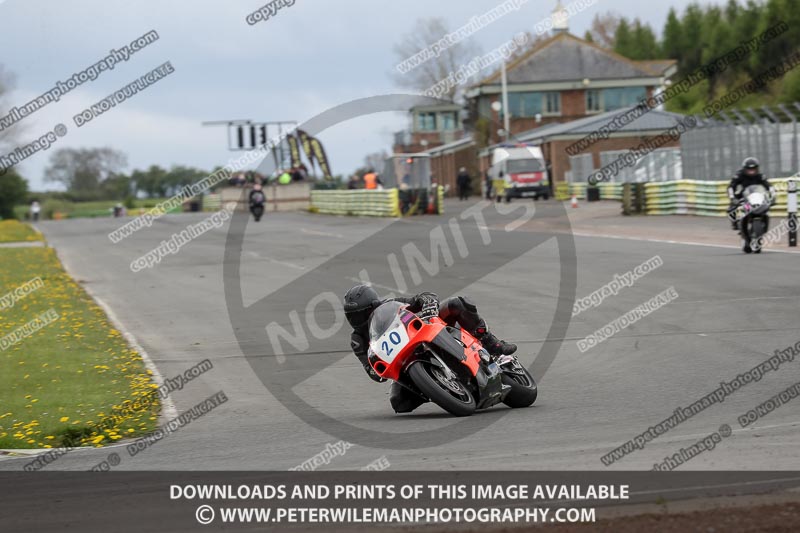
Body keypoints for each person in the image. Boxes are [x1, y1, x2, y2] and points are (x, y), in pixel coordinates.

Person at [343, 285, 517, 413]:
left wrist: (427, 305)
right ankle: (439, 387)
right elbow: (370, 368)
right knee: (400, 404)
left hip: (426, 333)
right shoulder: (357, 340)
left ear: (373, 306)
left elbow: (423, 297)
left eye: (360, 314)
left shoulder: (390, 304)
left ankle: (491, 343)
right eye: (351, 315)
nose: (356, 319)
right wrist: (374, 369)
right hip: (402, 362)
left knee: (457, 304)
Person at [727, 157, 775, 230]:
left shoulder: (760, 176)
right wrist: (732, 198)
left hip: (757, 195)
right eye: (749, 169)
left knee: (766, 205)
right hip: (744, 195)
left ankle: (764, 220)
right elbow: (731, 186)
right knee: (734, 207)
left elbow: (769, 186)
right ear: (745, 169)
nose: (751, 171)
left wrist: (773, 196)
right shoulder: (739, 175)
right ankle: (736, 222)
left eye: (753, 169)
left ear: (757, 169)